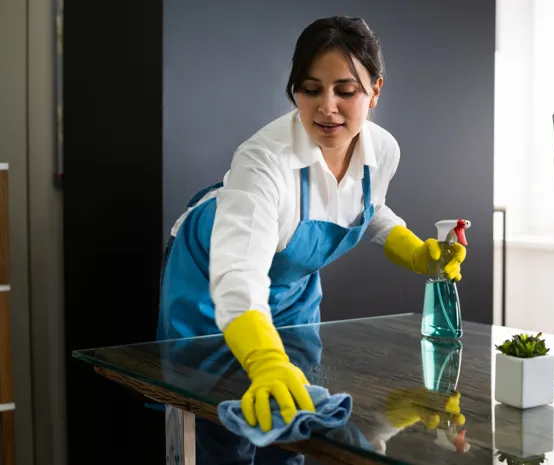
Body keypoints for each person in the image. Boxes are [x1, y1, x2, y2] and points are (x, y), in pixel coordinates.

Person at [156, 16, 466, 464]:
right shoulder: (263, 161)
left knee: (296, 414)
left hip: (292, 290)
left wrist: (418, 253)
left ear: (375, 91)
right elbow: (238, 277)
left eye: (346, 90)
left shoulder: (382, 150)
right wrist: (265, 360)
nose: (327, 107)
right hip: (211, 282)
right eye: (310, 89)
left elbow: (367, 208)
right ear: (294, 91)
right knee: (219, 419)